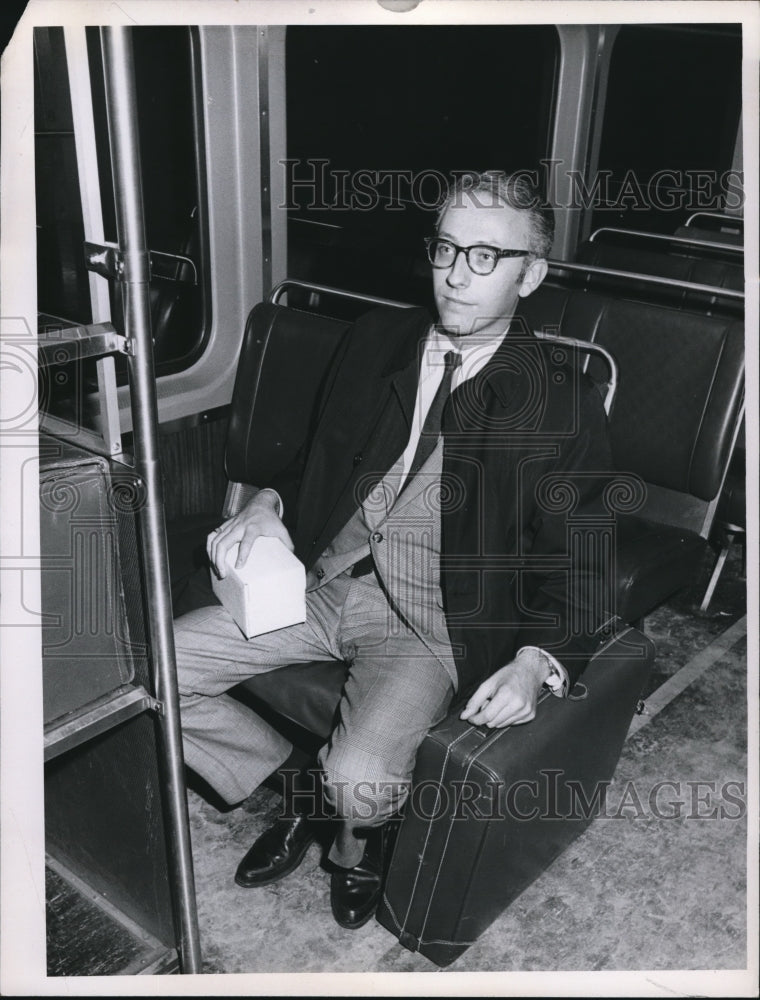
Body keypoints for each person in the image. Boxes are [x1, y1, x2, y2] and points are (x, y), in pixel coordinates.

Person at [174, 170, 613, 930]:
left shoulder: (564, 404)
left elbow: (584, 561)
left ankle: (351, 843)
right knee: (150, 668)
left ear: (531, 275)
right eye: (447, 247)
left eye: (485, 256)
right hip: (323, 583)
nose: (453, 272)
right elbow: (314, 459)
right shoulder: (378, 338)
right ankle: (297, 789)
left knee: (364, 781)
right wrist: (271, 508)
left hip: (434, 623)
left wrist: (539, 662)